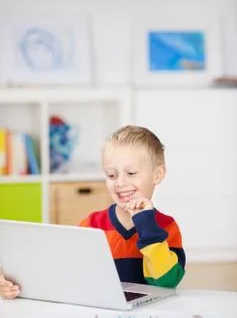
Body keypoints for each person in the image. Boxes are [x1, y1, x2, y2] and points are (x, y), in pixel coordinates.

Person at [0, 125, 185, 299]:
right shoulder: (92, 225)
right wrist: (12, 282)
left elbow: (166, 283)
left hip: (150, 317)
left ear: (157, 175)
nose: (119, 183)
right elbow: (62, 269)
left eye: (131, 173)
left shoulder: (166, 227)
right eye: (111, 175)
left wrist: (146, 223)